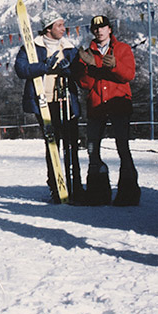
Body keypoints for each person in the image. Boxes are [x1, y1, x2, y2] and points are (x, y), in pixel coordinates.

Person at [14, 10, 81, 203]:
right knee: (52, 144)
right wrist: (45, 67)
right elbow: (22, 69)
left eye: (63, 25)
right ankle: (56, 186)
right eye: (59, 25)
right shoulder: (32, 47)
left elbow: (78, 71)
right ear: (48, 28)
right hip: (44, 102)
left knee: (71, 144)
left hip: (66, 100)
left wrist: (70, 70)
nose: (63, 28)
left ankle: (75, 185)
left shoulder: (68, 47)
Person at [72, 15, 139, 206]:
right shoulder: (87, 52)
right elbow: (85, 84)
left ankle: (128, 192)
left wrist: (115, 66)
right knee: (93, 149)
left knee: (123, 148)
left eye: (103, 28)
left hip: (118, 105)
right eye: (95, 29)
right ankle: (97, 191)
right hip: (96, 105)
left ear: (110, 29)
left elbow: (128, 75)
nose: (99, 31)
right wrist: (87, 67)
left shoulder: (122, 49)